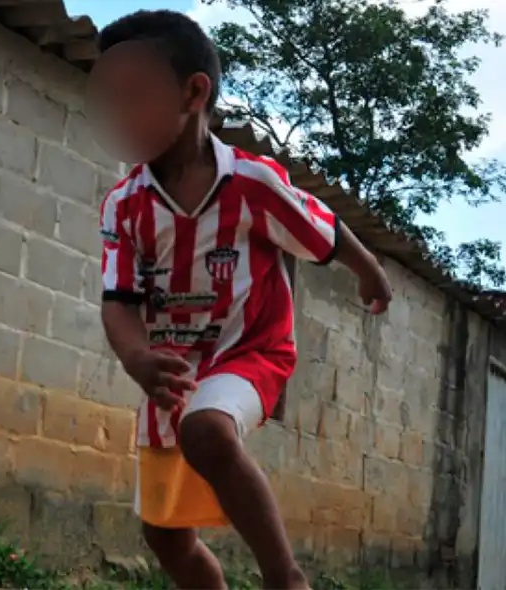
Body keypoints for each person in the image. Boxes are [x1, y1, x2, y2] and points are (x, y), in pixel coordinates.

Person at [90, 9, 393, 590]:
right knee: (167, 537)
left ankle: (287, 579)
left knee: (207, 431)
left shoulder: (252, 183)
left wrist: (370, 269)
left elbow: (323, 231)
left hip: (250, 352)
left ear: (193, 93)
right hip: (173, 372)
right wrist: (136, 357)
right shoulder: (124, 205)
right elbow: (119, 301)